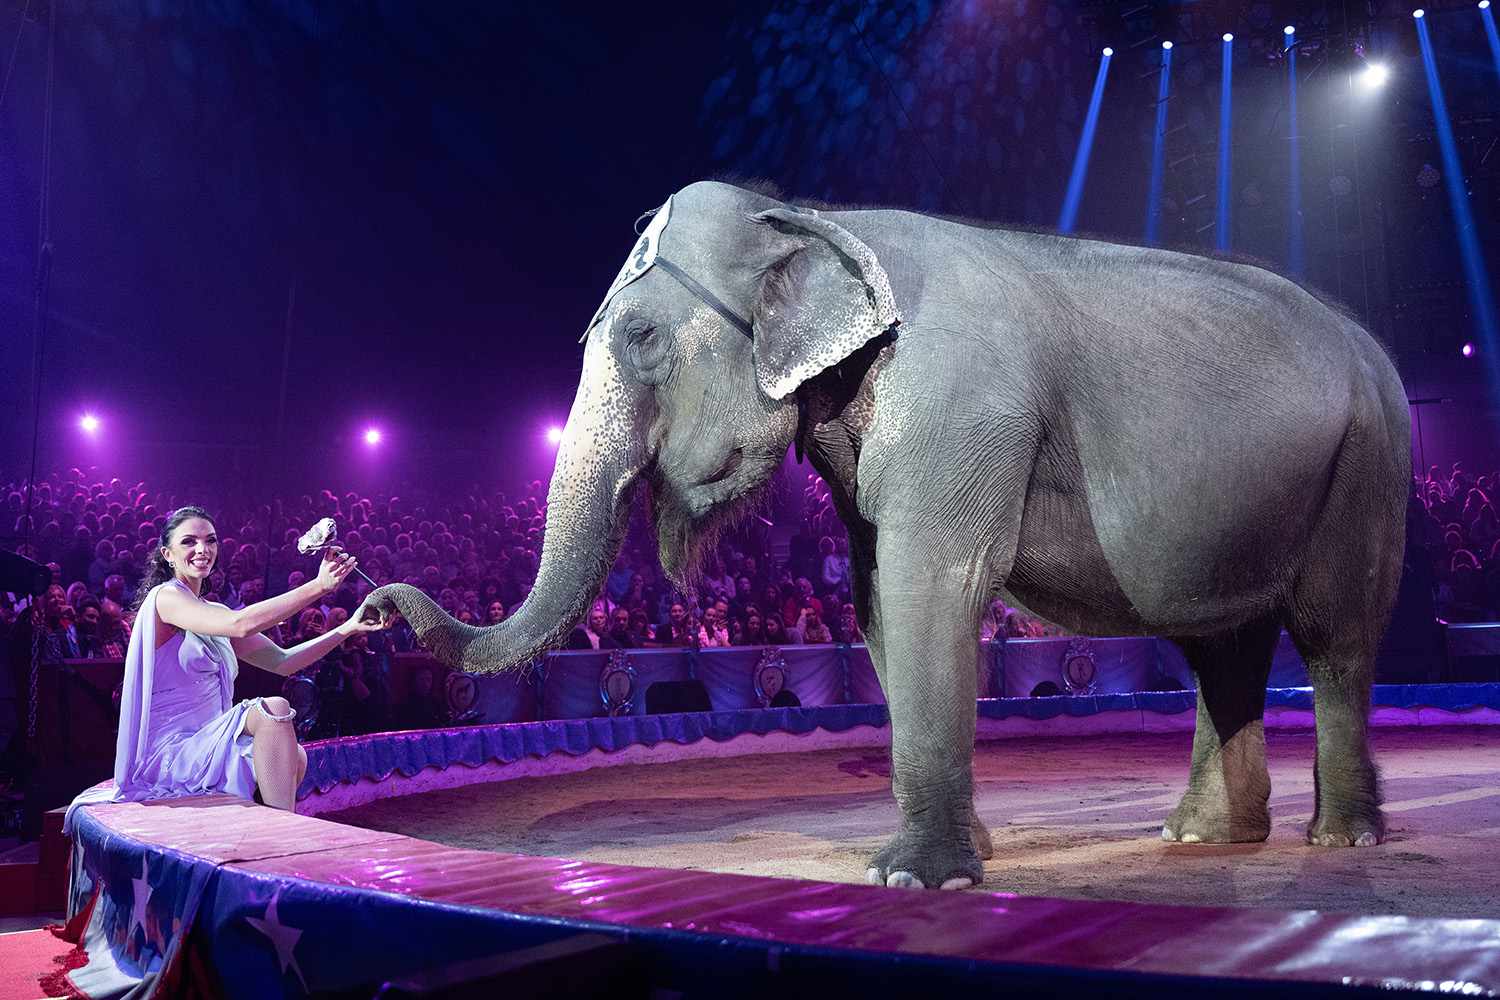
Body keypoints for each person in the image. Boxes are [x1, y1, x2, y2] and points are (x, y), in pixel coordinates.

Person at [64, 506, 386, 831]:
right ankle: (286, 834)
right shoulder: (165, 599)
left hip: (209, 744)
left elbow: (284, 661)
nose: (202, 549)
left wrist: (348, 628)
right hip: (171, 753)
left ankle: (272, 832)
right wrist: (318, 587)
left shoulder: (212, 611)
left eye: (210, 541)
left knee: (296, 756)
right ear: (168, 554)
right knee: (274, 709)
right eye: (189, 542)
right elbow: (240, 623)